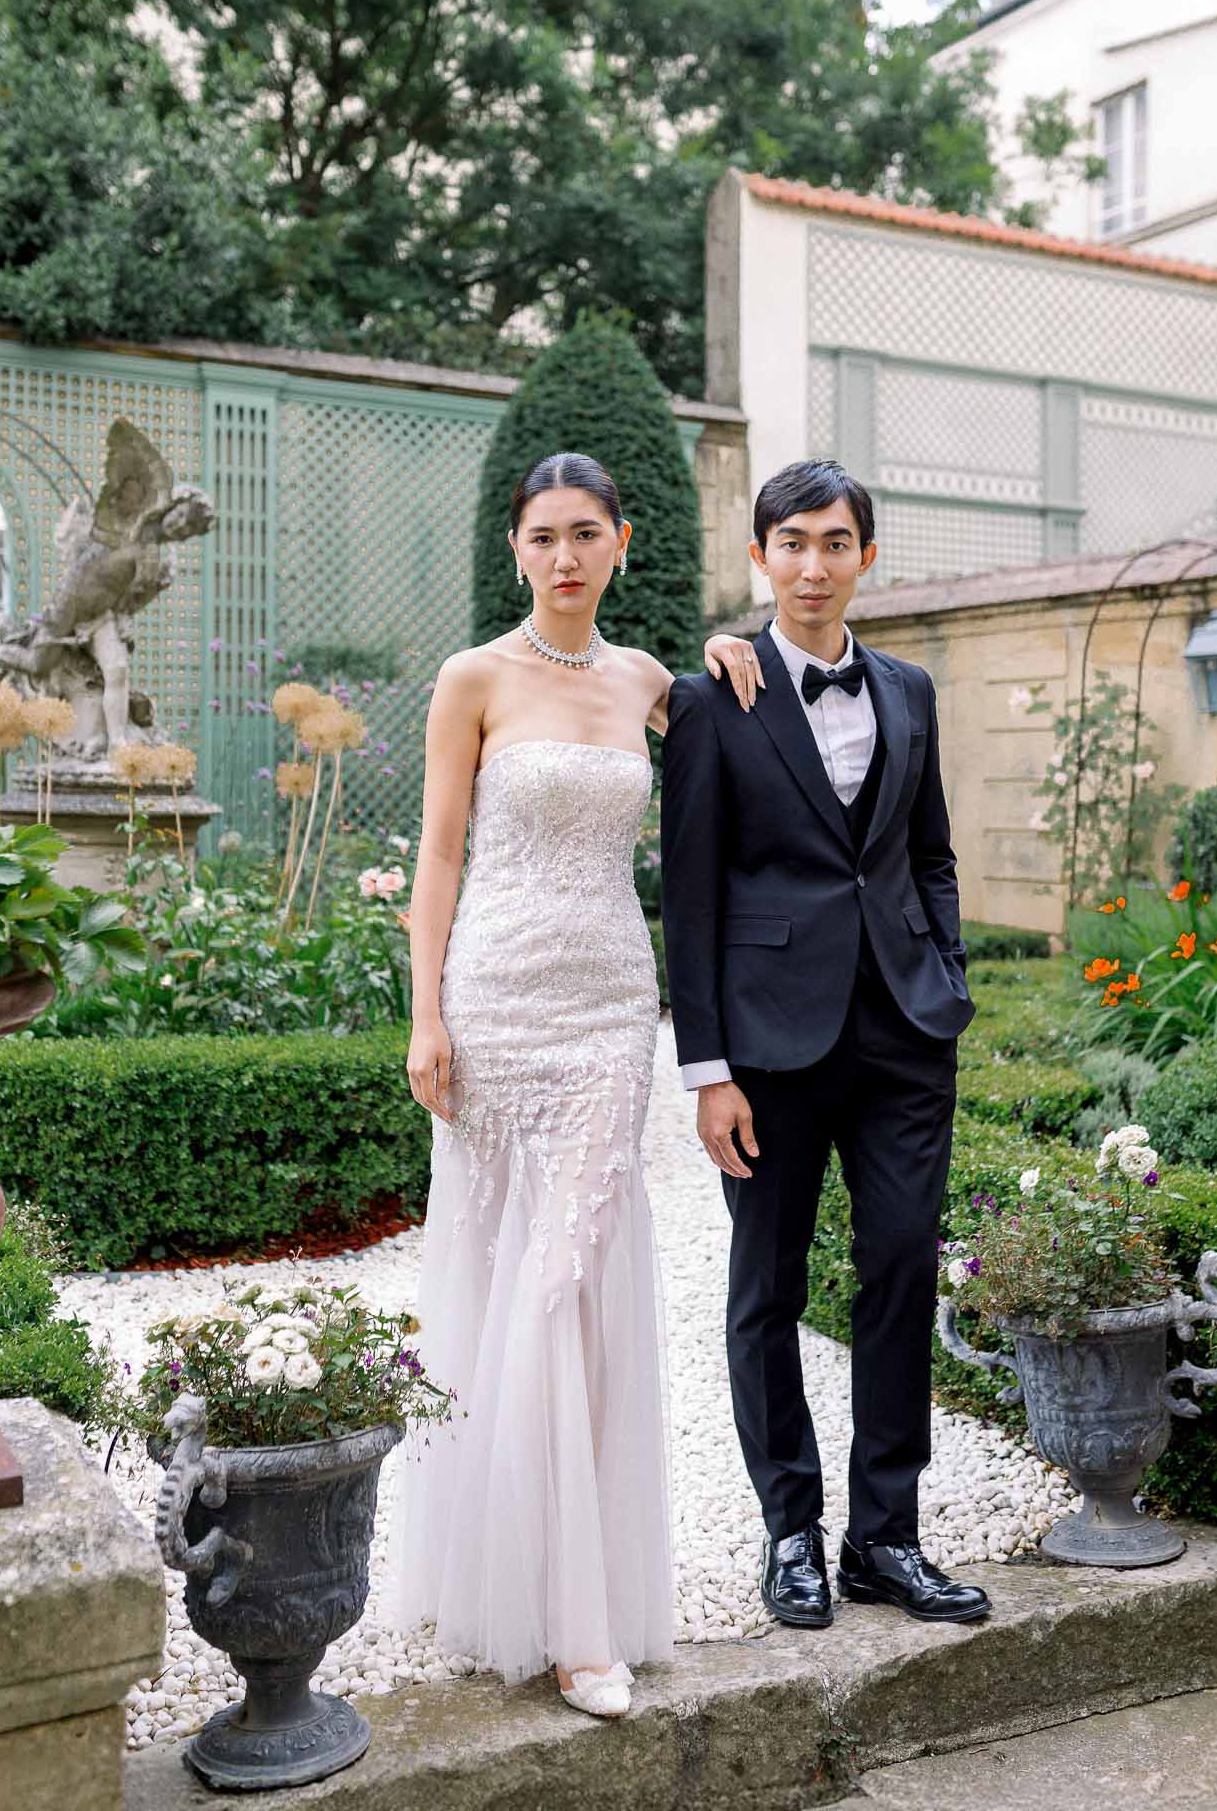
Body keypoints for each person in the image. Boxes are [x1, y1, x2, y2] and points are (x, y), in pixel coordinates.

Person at [398, 452, 758, 1719]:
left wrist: (730, 646)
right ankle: (510, 1582)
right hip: (494, 1004)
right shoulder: (474, 677)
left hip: (611, 1009)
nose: (564, 554)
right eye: (543, 534)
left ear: (620, 544)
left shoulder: (648, 682)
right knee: (500, 1279)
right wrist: (427, 1011)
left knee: (571, 1279)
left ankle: (580, 1614)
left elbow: (742, 755)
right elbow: (438, 853)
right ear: (516, 549)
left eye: (586, 533)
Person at [660, 457, 992, 1633]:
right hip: (768, 1045)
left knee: (902, 1268)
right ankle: (790, 1529)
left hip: (905, 1030)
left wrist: (943, 969)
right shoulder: (715, 695)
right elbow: (688, 893)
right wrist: (707, 1070)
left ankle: (885, 1538)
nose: (813, 563)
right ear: (760, 557)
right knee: (769, 1287)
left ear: (864, 556)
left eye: (835, 541)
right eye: (790, 542)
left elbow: (931, 849)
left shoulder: (907, 688)